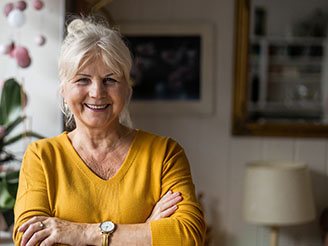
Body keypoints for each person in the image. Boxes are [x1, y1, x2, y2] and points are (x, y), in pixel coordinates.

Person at [13, 17, 206, 246]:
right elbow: (29, 240)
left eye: (110, 79)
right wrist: (144, 231)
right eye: (83, 79)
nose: (97, 92)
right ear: (64, 89)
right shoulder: (42, 157)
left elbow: (188, 236)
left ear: (126, 87)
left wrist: (82, 233)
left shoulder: (165, 153)